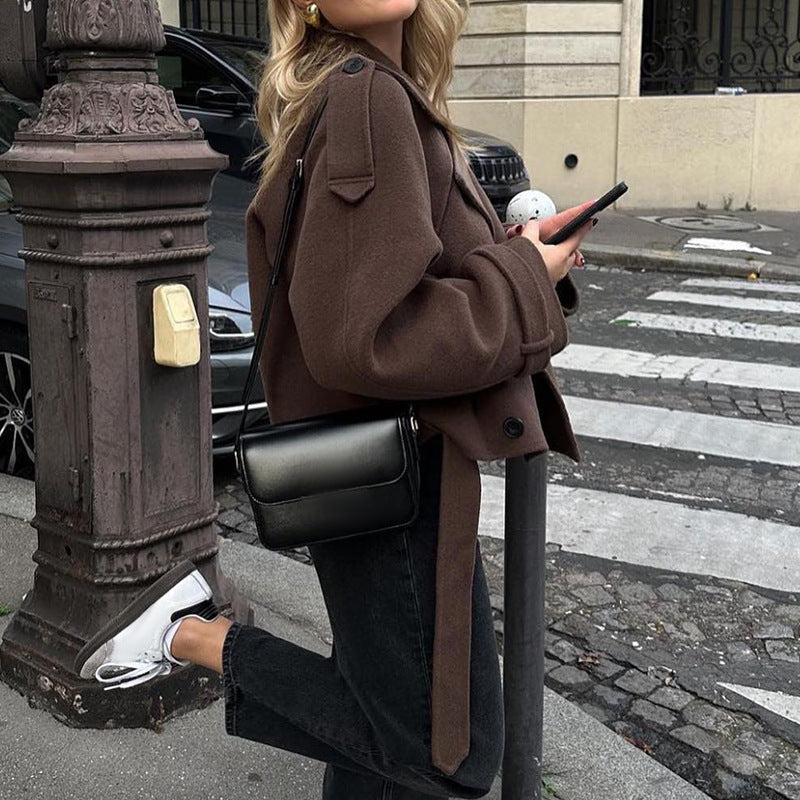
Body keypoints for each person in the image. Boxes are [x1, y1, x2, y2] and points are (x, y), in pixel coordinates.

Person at [73, 1, 595, 797]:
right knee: (441, 752)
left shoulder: (368, 87)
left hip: (378, 466)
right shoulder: (368, 96)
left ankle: (192, 632)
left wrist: (524, 260)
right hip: (390, 476)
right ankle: (194, 636)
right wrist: (524, 278)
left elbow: (385, 283)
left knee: (390, 738)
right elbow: (370, 335)